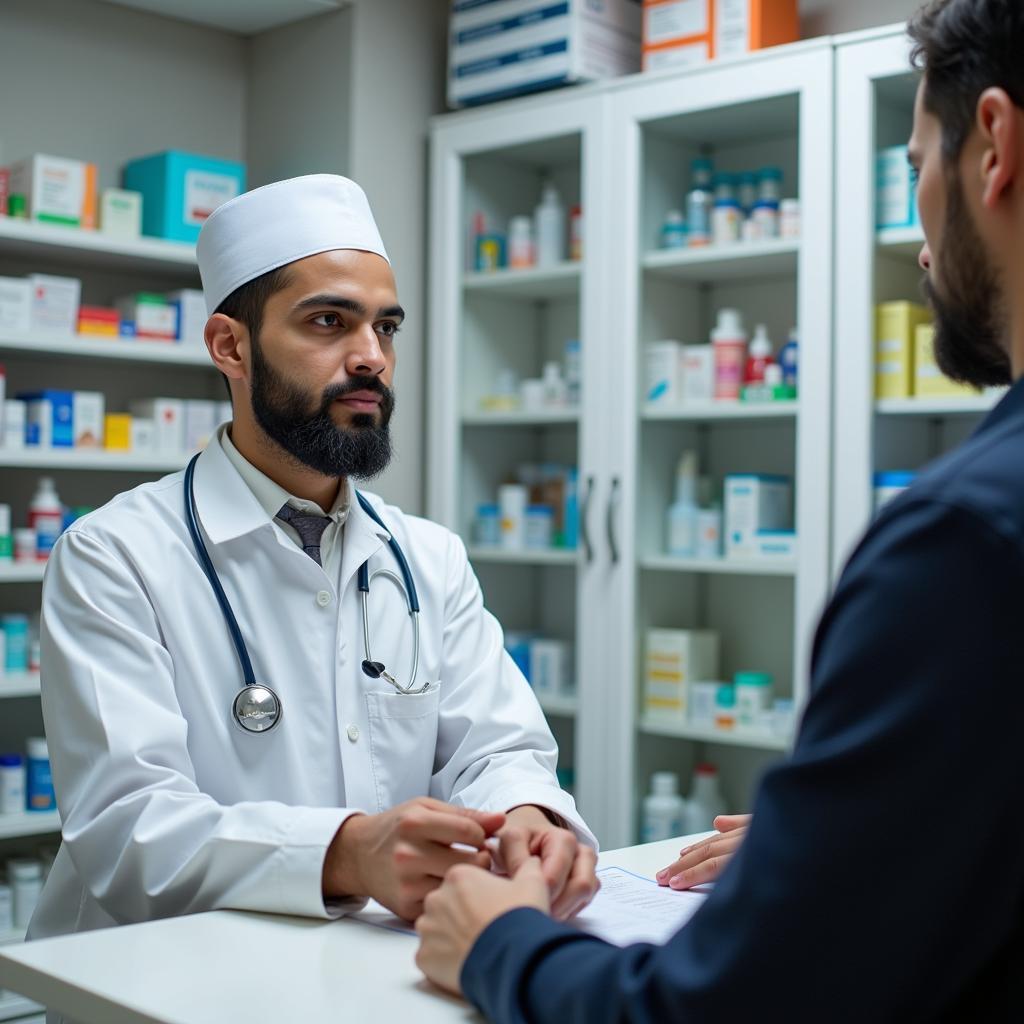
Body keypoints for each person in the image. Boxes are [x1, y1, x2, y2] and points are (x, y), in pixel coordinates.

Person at [414, 2, 1024, 1018]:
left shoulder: (965, 539)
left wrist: (500, 945)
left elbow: (719, 1009)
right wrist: (865, 838)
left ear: (992, 147)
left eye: (919, 159)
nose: (919, 241)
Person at [29, 175, 598, 964]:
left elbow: (497, 749)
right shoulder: (116, 554)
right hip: (157, 982)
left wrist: (532, 815)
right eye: (329, 321)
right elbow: (128, 830)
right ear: (230, 346)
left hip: (363, 975)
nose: (372, 358)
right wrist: (348, 853)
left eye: (386, 328)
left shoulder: (425, 558)